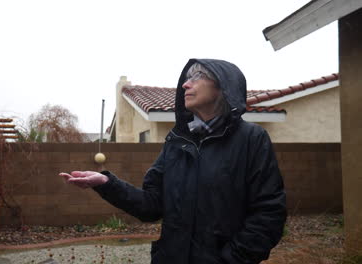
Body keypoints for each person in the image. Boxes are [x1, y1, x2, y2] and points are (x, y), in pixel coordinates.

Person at [60, 59, 287, 264]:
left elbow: (269, 214)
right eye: (187, 78)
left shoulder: (251, 139)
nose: (186, 85)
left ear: (222, 87)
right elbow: (151, 205)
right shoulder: (176, 140)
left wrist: (231, 259)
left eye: (197, 77)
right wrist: (106, 184)